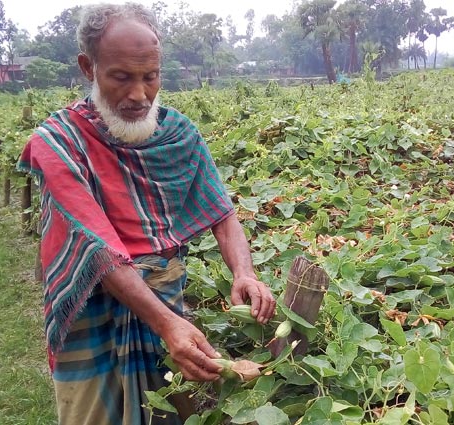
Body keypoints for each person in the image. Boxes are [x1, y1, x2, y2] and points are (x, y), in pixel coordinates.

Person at [17, 3, 276, 424]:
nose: (139, 95)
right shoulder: (60, 142)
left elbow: (221, 212)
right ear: (89, 67)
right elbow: (95, 246)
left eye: (150, 77)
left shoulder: (180, 135)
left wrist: (243, 273)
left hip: (165, 302)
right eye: (121, 77)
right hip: (93, 312)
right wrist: (166, 324)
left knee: (168, 409)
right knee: (92, 415)